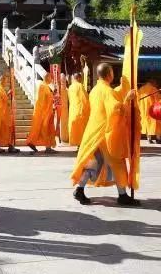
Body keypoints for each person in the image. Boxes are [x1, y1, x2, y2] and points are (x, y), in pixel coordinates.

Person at [71, 63, 140, 206]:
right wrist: (127, 100)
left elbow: (108, 102)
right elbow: (116, 110)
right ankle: (122, 195)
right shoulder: (108, 91)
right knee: (117, 163)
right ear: (109, 75)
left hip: (93, 132)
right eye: (112, 72)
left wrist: (122, 90)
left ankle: (79, 189)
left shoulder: (95, 90)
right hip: (105, 133)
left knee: (94, 163)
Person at [27, 72, 57, 154]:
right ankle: (47, 147)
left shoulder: (46, 87)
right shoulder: (42, 86)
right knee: (45, 130)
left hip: (48, 112)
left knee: (47, 130)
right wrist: (43, 114)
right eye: (50, 77)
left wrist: (53, 94)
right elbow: (41, 101)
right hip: (44, 113)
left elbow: (48, 99)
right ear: (46, 77)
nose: (51, 79)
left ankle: (38, 144)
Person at [0, 73, 20, 154]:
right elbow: (4, 99)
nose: (6, 83)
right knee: (7, 130)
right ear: (2, 80)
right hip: (2, 114)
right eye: (5, 81)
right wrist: (9, 93)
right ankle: (10, 146)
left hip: (0, 113)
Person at [138, 79, 161, 144]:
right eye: (156, 84)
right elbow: (158, 99)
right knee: (158, 123)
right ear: (153, 83)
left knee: (147, 123)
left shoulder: (140, 89)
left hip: (143, 111)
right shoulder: (153, 89)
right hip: (153, 110)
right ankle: (158, 139)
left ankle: (149, 139)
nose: (156, 85)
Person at [67, 72, 90, 148]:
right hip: (80, 111)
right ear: (79, 78)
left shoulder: (70, 87)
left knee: (76, 130)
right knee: (81, 129)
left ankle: (78, 145)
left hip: (72, 111)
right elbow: (84, 98)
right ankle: (80, 146)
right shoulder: (80, 86)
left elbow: (70, 99)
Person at [58, 74, 70, 143]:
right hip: (62, 110)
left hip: (65, 110)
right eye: (62, 80)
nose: (63, 81)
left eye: (64, 80)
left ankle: (64, 138)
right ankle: (62, 138)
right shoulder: (59, 90)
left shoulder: (67, 90)